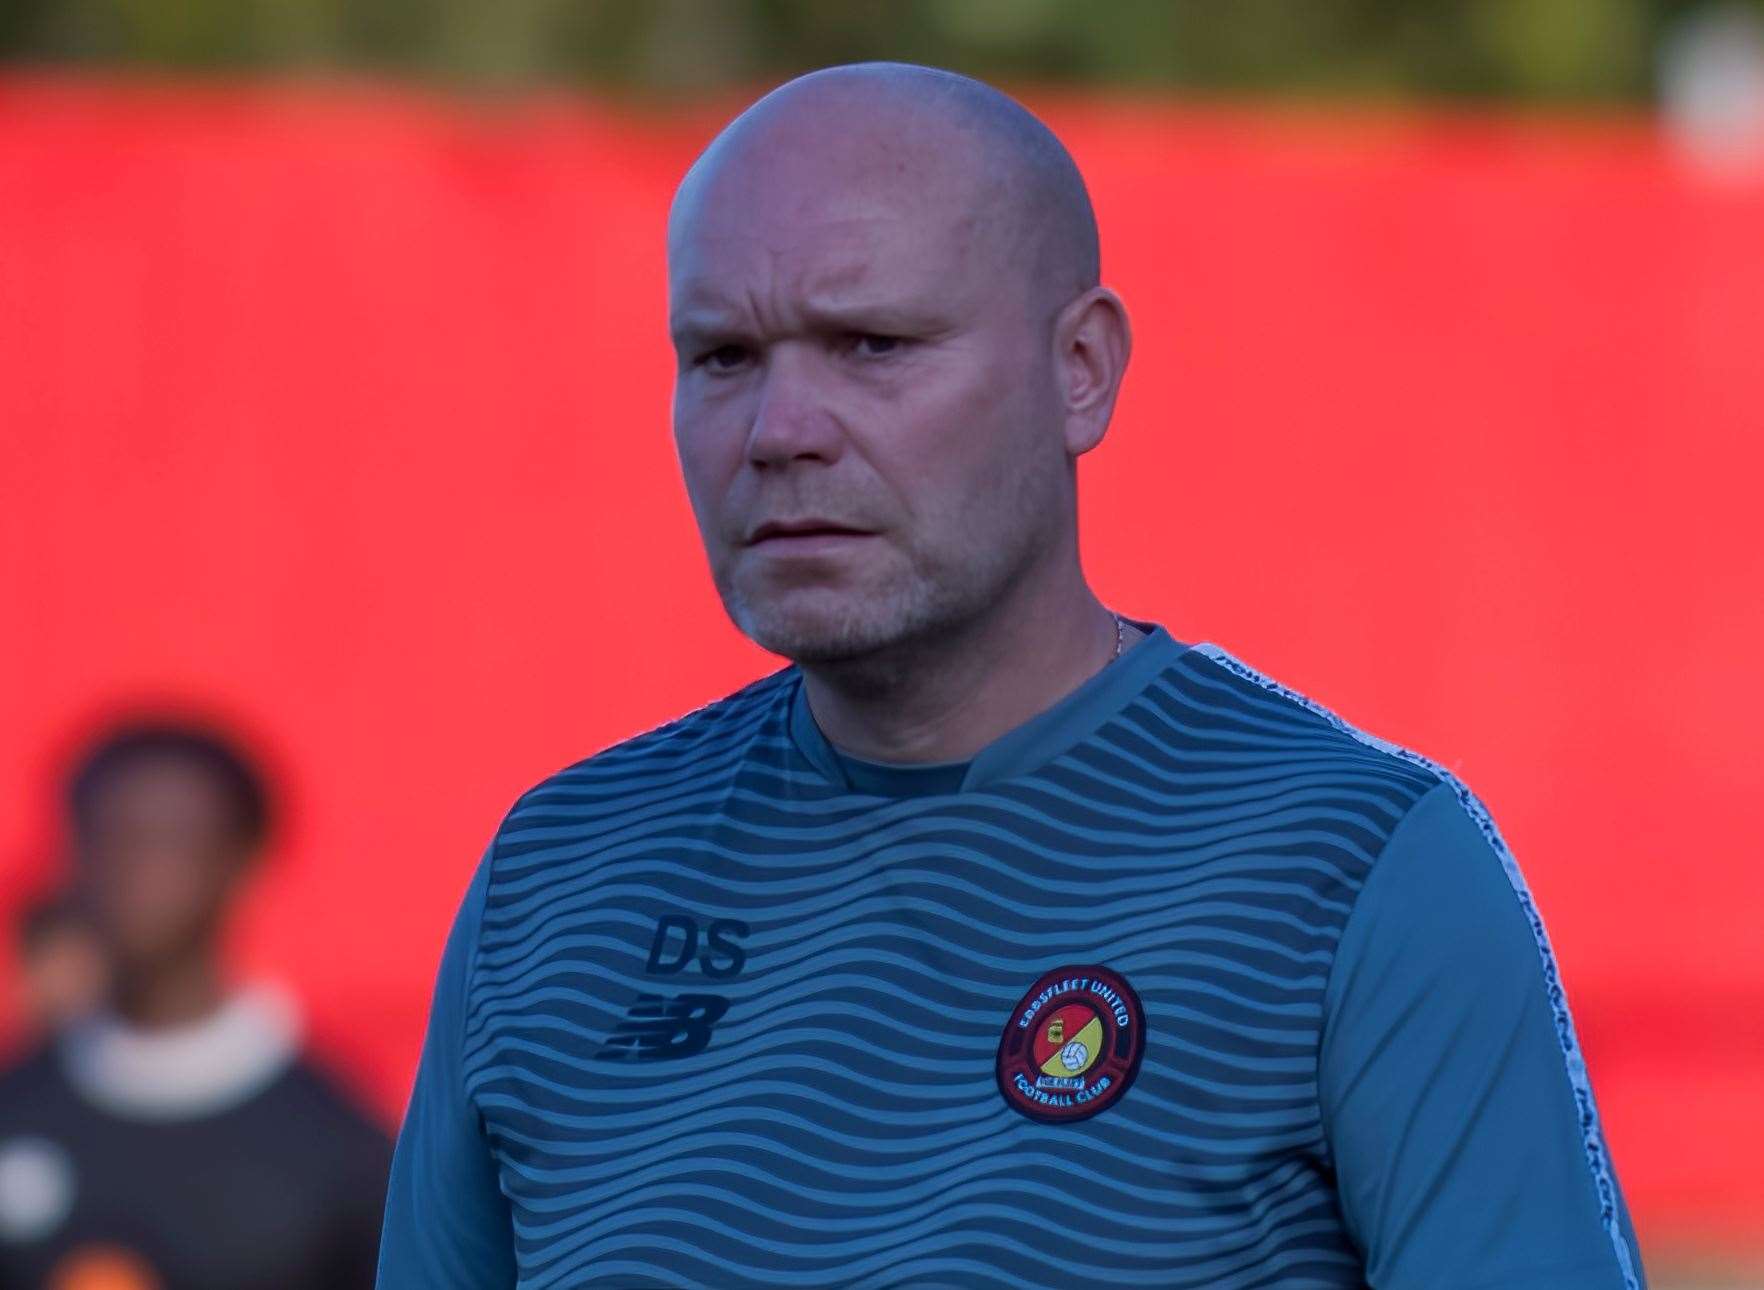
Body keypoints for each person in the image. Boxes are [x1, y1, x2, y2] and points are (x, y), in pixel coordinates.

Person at [378, 62, 1646, 1289]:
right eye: (722, 358)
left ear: (1080, 370)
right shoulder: (561, 876)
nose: (779, 431)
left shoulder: (1351, 864)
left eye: (871, 343)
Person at [0, 720, 392, 1290]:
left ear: (244, 861)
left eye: (170, 842)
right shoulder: (18, 1106)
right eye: (111, 838)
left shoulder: (339, 1147)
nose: (135, 872)